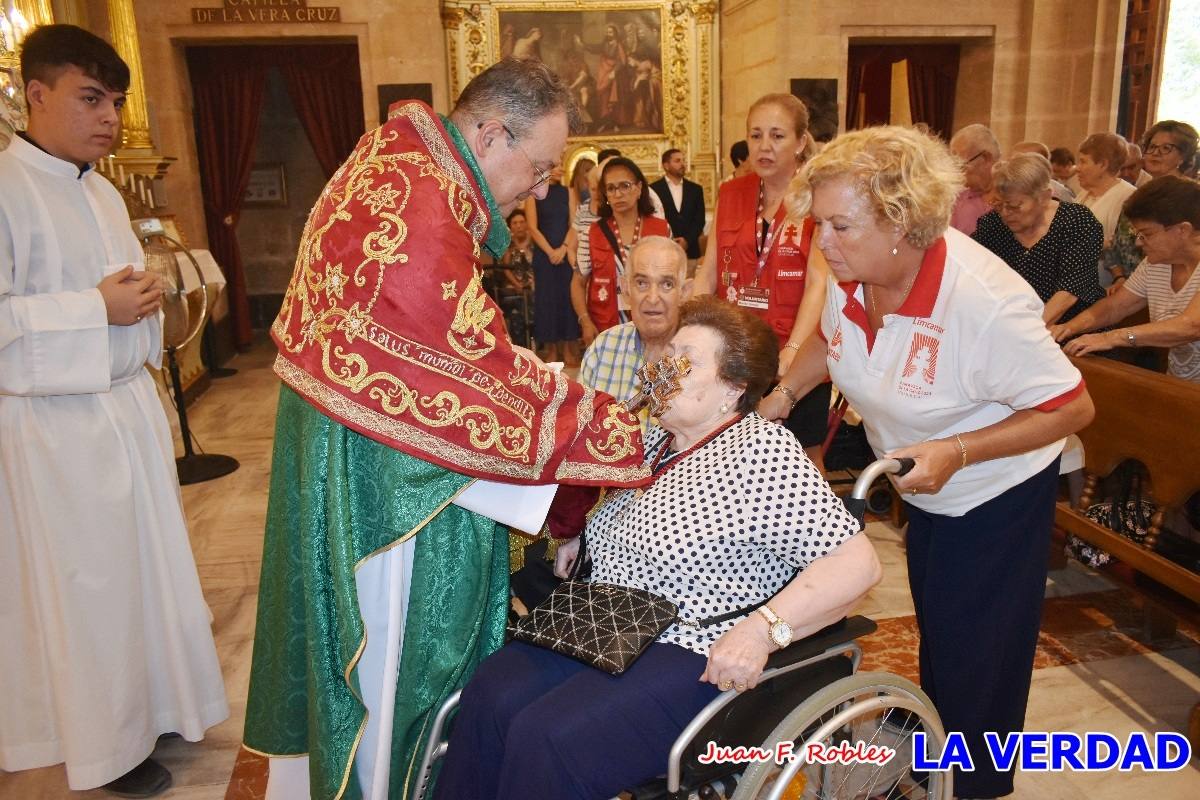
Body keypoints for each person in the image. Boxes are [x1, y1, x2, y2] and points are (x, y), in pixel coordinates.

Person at [239, 58, 650, 800]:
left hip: (339, 439)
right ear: (493, 134)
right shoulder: (426, 211)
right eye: (541, 166)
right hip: (389, 486)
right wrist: (602, 424)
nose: (542, 188)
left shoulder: (392, 154)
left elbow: (440, 340)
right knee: (396, 658)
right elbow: (469, 377)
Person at [432, 296, 880, 800]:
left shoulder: (762, 451)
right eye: (667, 355)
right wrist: (583, 530)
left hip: (689, 644)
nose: (662, 368)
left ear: (732, 387)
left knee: (548, 737)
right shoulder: (655, 442)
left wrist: (761, 632)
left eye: (684, 361)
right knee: (489, 694)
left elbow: (856, 564)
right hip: (606, 623)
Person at [782, 124, 1094, 799]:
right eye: (819, 223)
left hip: (993, 492)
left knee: (980, 649)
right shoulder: (854, 268)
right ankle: (937, 750)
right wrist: (781, 394)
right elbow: (830, 341)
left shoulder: (985, 302)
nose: (823, 241)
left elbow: (1072, 409)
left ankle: (973, 784)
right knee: (944, 629)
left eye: (840, 224)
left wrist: (958, 450)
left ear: (902, 223)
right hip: (926, 480)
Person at [0, 24, 227, 797]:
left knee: (142, 577)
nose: (108, 117)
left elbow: (119, 301)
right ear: (35, 94)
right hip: (54, 431)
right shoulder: (5, 189)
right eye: (90, 98)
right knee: (88, 590)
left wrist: (139, 302)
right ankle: (103, 744)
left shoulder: (99, 191)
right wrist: (92, 307)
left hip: (122, 412)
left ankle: (148, 707)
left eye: (117, 101)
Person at [696, 93, 830, 470]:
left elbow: (818, 282)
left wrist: (793, 350)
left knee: (802, 456)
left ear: (801, 142)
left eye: (777, 136)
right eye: (756, 136)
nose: (764, 146)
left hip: (797, 349)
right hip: (737, 347)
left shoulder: (816, 196)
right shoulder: (731, 192)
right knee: (731, 450)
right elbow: (708, 271)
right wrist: (686, 332)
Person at [1052, 176, 1200, 383]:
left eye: (1146, 233)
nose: (1139, 243)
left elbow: (1191, 326)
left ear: (1182, 230)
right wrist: (1066, 328)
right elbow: (1115, 307)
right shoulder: (1156, 263)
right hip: (1185, 387)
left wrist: (1111, 338)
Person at [972, 153, 1104, 325]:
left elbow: (1070, 291)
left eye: (1014, 206)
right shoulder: (992, 225)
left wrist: (1030, 332)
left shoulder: (1077, 221)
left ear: (1044, 197)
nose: (1005, 213)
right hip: (1012, 325)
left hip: (1072, 328)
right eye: (998, 204)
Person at [579, 235, 693, 431]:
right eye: (641, 283)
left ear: (684, 292)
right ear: (625, 289)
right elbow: (580, 429)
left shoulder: (703, 356)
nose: (653, 298)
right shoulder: (602, 349)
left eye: (666, 284)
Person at [573, 156, 672, 342]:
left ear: (639, 188)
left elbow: (672, 281)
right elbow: (578, 283)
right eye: (611, 188)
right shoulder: (591, 233)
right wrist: (585, 321)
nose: (618, 194)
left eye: (625, 186)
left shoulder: (661, 229)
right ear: (606, 195)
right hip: (607, 329)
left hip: (654, 326)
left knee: (651, 372)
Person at [526, 165, 580, 364]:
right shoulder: (534, 193)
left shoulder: (569, 192)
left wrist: (564, 248)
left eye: (561, 166)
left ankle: (568, 349)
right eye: (554, 165)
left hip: (565, 254)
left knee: (567, 299)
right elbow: (532, 227)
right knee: (547, 301)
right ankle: (550, 350)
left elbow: (575, 223)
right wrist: (550, 251)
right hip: (544, 256)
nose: (559, 169)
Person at [1074, 132, 1137, 289]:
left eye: (1083, 162)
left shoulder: (1128, 197)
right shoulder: (1084, 194)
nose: (1077, 168)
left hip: (1107, 282)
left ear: (1103, 164)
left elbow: (1125, 245)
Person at [650, 148, 707, 265]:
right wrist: (670, 240)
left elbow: (699, 220)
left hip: (691, 251)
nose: (683, 164)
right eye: (677, 161)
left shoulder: (695, 189)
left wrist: (687, 241)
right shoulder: (653, 190)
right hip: (663, 252)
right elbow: (653, 219)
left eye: (683, 160)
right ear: (666, 165)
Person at [948, 123, 1001, 235]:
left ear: (986, 158)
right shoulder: (956, 199)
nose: (958, 174)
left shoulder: (1014, 196)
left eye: (962, 166)